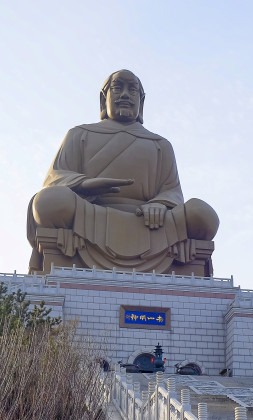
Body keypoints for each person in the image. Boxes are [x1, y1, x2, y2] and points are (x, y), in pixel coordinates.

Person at [28, 69, 219, 276]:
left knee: (202, 213)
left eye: (132, 90)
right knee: (48, 201)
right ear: (104, 98)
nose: (125, 95)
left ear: (141, 101)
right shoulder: (79, 134)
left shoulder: (160, 144)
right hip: (90, 216)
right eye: (118, 88)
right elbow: (55, 178)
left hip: (152, 224)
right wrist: (84, 185)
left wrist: (160, 203)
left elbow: (171, 190)